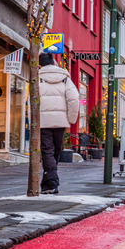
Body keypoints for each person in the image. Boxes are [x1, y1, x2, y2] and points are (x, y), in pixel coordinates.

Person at [38, 53, 80, 194]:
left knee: (47, 151)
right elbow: (74, 100)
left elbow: (32, 100)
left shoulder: (36, 78)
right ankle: (49, 181)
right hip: (61, 122)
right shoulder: (65, 79)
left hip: (44, 121)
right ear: (54, 63)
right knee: (55, 150)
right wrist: (71, 119)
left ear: (40, 65)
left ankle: (51, 181)